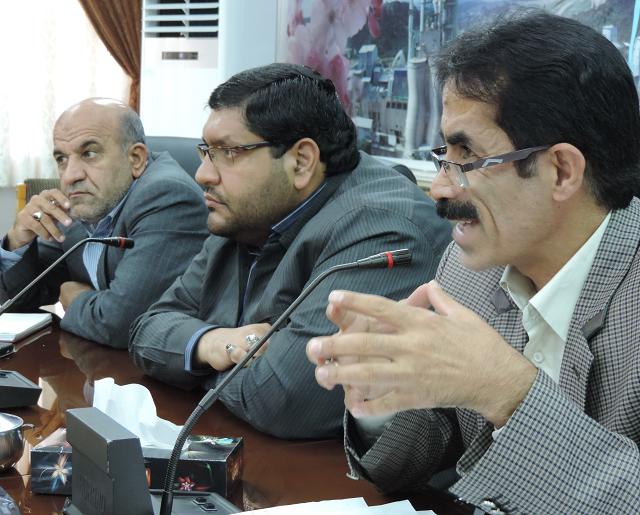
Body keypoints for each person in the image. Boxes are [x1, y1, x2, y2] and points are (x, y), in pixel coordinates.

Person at [305, 12, 640, 514]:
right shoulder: (472, 266)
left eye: (467, 157)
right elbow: (424, 446)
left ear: (561, 170)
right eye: (444, 155)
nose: (441, 188)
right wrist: (380, 399)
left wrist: (506, 390)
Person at [129, 63, 452, 439]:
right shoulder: (244, 215)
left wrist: (190, 360)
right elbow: (145, 330)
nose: (203, 174)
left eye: (227, 152)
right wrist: (217, 343)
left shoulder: (382, 230)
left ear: (301, 162)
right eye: (206, 151)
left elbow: (281, 398)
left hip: (343, 470)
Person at [0, 98, 209, 348]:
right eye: (61, 159)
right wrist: (17, 241)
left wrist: (75, 300)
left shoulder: (167, 196)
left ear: (136, 159)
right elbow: (20, 300)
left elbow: (120, 325)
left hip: (163, 368)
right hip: (96, 361)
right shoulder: (83, 201)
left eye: (89, 153)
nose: (70, 176)